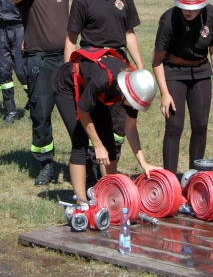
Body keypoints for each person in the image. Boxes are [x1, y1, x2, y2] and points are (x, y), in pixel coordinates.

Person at [9, 0, 97, 186]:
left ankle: (85, 161)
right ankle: (45, 164)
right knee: (41, 115)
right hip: (39, 62)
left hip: (66, 59)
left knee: (78, 112)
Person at [65, 0, 142, 182]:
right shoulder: (82, 0)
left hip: (119, 64)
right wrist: (69, 69)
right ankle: (93, 173)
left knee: (118, 122)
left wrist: (139, 67)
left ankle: (110, 177)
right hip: (93, 65)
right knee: (94, 118)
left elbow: (129, 34)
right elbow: (71, 38)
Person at [52, 56, 161, 202]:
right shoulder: (102, 80)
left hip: (93, 89)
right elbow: (84, 113)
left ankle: (109, 196)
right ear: (126, 93)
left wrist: (143, 163)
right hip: (67, 83)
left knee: (108, 141)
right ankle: (81, 203)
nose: (135, 108)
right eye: (134, 103)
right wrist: (97, 145)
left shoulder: (134, 88)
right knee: (80, 141)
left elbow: (130, 128)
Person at [153, 0, 213, 173]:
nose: (188, 11)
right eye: (184, 6)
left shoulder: (212, 15)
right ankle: (169, 179)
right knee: (174, 126)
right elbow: (157, 60)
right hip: (174, 71)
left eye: (193, 7)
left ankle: (195, 176)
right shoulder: (169, 19)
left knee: (200, 125)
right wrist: (164, 93)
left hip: (201, 71)